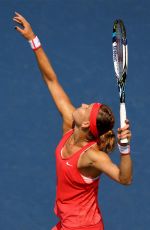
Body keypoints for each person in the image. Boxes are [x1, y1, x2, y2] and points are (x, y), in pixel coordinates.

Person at [13, 12, 132, 230]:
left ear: (86, 124)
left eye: (87, 108)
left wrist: (124, 149)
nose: (83, 104)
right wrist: (33, 40)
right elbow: (51, 80)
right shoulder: (70, 123)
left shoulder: (92, 157)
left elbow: (124, 178)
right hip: (67, 223)